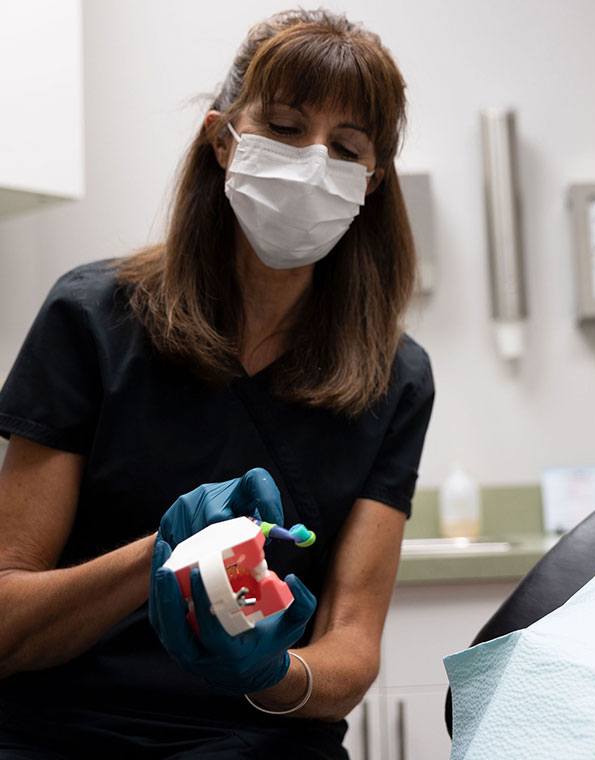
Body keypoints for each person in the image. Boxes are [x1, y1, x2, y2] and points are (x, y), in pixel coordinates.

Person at [0, 8, 433, 758]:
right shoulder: (92, 319)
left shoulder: (394, 377)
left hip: (260, 742)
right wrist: (164, 556)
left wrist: (269, 672)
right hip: (64, 735)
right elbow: (6, 623)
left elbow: (351, 647)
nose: (311, 159)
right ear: (222, 136)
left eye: (346, 147)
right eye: (288, 127)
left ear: (371, 182)